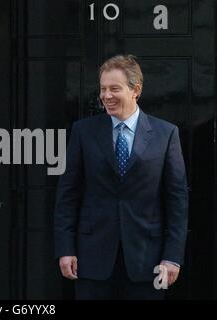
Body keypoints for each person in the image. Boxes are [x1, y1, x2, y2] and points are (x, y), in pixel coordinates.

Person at [54, 55, 189, 299]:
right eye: (103, 89)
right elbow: (68, 194)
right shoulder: (84, 131)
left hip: (148, 262)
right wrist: (65, 249)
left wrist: (172, 257)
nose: (106, 96)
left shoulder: (166, 134)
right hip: (91, 259)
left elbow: (177, 200)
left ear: (135, 90)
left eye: (114, 89)